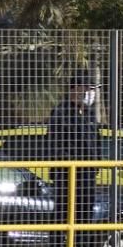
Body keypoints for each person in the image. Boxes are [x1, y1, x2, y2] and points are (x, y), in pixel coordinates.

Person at [46, 69, 105, 225]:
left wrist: (96, 162)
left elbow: (95, 140)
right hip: (67, 174)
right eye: (87, 88)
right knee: (63, 213)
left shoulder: (89, 113)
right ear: (75, 88)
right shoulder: (61, 112)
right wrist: (73, 162)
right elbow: (55, 145)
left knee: (85, 213)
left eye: (92, 89)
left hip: (87, 174)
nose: (91, 93)